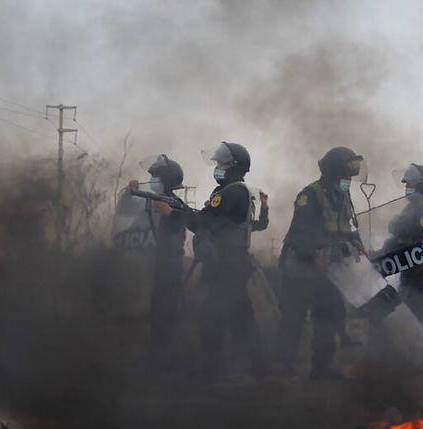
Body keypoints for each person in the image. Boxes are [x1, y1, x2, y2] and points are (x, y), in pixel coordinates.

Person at [277, 146, 365, 379]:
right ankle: (282, 369)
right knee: (293, 320)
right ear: (336, 171)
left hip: (327, 268)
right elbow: (299, 233)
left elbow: (348, 226)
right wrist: (312, 256)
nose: (349, 180)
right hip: (301, 268)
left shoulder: (344, 195)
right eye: (347, 175)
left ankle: (321, 369)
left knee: (328, 315)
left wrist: (356, 242)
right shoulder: (311, 194)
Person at [186, 141, 269, 378]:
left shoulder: (231, 192)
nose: (217, 167)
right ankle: (258, 368)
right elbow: (214, 221)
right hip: (233, 265)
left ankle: (208, 371)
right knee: (242, 318)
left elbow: (205, 223)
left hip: (225, 266)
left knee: (213, 317)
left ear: (233, 166)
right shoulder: (237, 192)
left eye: (221, 163)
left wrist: (175, 212)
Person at [128, 155, 187, 369]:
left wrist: (171, 213)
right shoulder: (159, 201)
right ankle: (158, 354)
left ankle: (165, 359)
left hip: (170, 267)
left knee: (165, 313)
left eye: (156, 177)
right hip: (161, 266)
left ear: (168, 180)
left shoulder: (176, 204)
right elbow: (135, 204)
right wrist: (132, 190)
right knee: (156, 312)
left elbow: (184, 223)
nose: (152, 181)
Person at [382, 164, 423, 323]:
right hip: (410, 266)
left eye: (409, 184)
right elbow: (394, 227)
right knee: (406, 311)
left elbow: (404, 228)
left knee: (416, 314)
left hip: (422, 271)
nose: (406, 187)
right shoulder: (411, 208)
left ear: (421, 186)